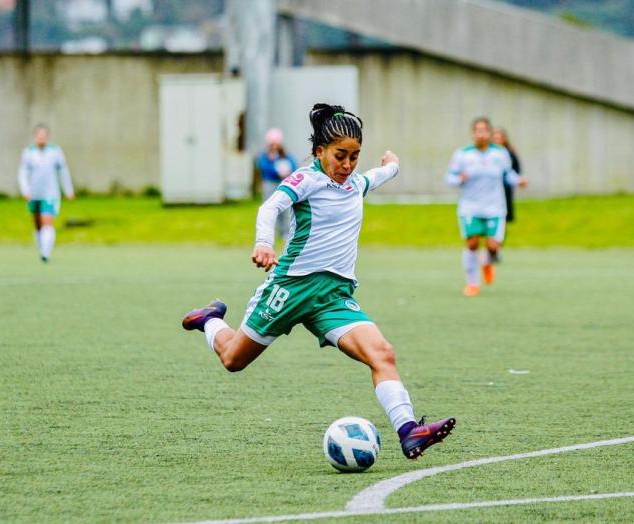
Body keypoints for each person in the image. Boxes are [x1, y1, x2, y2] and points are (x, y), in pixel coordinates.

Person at [182, 104, 455, 460]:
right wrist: (264, 243)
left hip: (333, 297)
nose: (348, 165)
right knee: (233, 359)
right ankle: (210, 320)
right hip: (291, 289)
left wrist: (393, 165)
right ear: (320, 151)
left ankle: (409, 431)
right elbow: (269, 208)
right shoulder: (306, 179)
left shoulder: (356, 184)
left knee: (382, 353)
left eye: (354, 156)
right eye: (340, 156)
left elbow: (377, 175)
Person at [446, 117, 527, 296]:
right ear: (472, 133)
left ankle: (487, 262)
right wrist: (459, 179)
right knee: (472, 243)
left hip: (494, 207)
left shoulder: (500, 153)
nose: (481, 134)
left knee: (493, 247)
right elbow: (449, 178)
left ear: (490, 133)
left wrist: (518, 181)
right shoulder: (462, 154)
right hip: (470, 207)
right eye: (478, 131)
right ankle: (472, 284)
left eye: (484, 130)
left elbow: (508, 175)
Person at [17, 124, 74, 263]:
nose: (41, 138)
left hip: (50, 193)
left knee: (47, 221)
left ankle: (45, 253)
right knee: (37, 223)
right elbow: (22, 173)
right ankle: (41, 247)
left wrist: (68, 190)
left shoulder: (55, 151)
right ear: (35, 137)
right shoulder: (28, 152)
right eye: (39, 135)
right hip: (34, 194)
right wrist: (25, 190)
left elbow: (63, 171)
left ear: (47, 137)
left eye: (44, 135)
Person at [256, 128, 297, 239]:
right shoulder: (265, 156)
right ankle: (269, 233)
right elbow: (262, 166)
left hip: (283, 184)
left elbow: (293, 165)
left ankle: (285, 232)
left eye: (276, 143)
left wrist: (288, 172)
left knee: (285, 209)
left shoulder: (286, 155)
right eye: (272, 143)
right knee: (269, 208)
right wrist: (276, 170)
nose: (274, 146)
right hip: (269, 184)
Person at [492, 127, 521, 225]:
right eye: (495, 138)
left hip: (505, 186)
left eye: (499, 138)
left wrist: (516, 180)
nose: (497, 141)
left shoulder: (508, 152)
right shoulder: (489, 153)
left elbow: (515, 168)